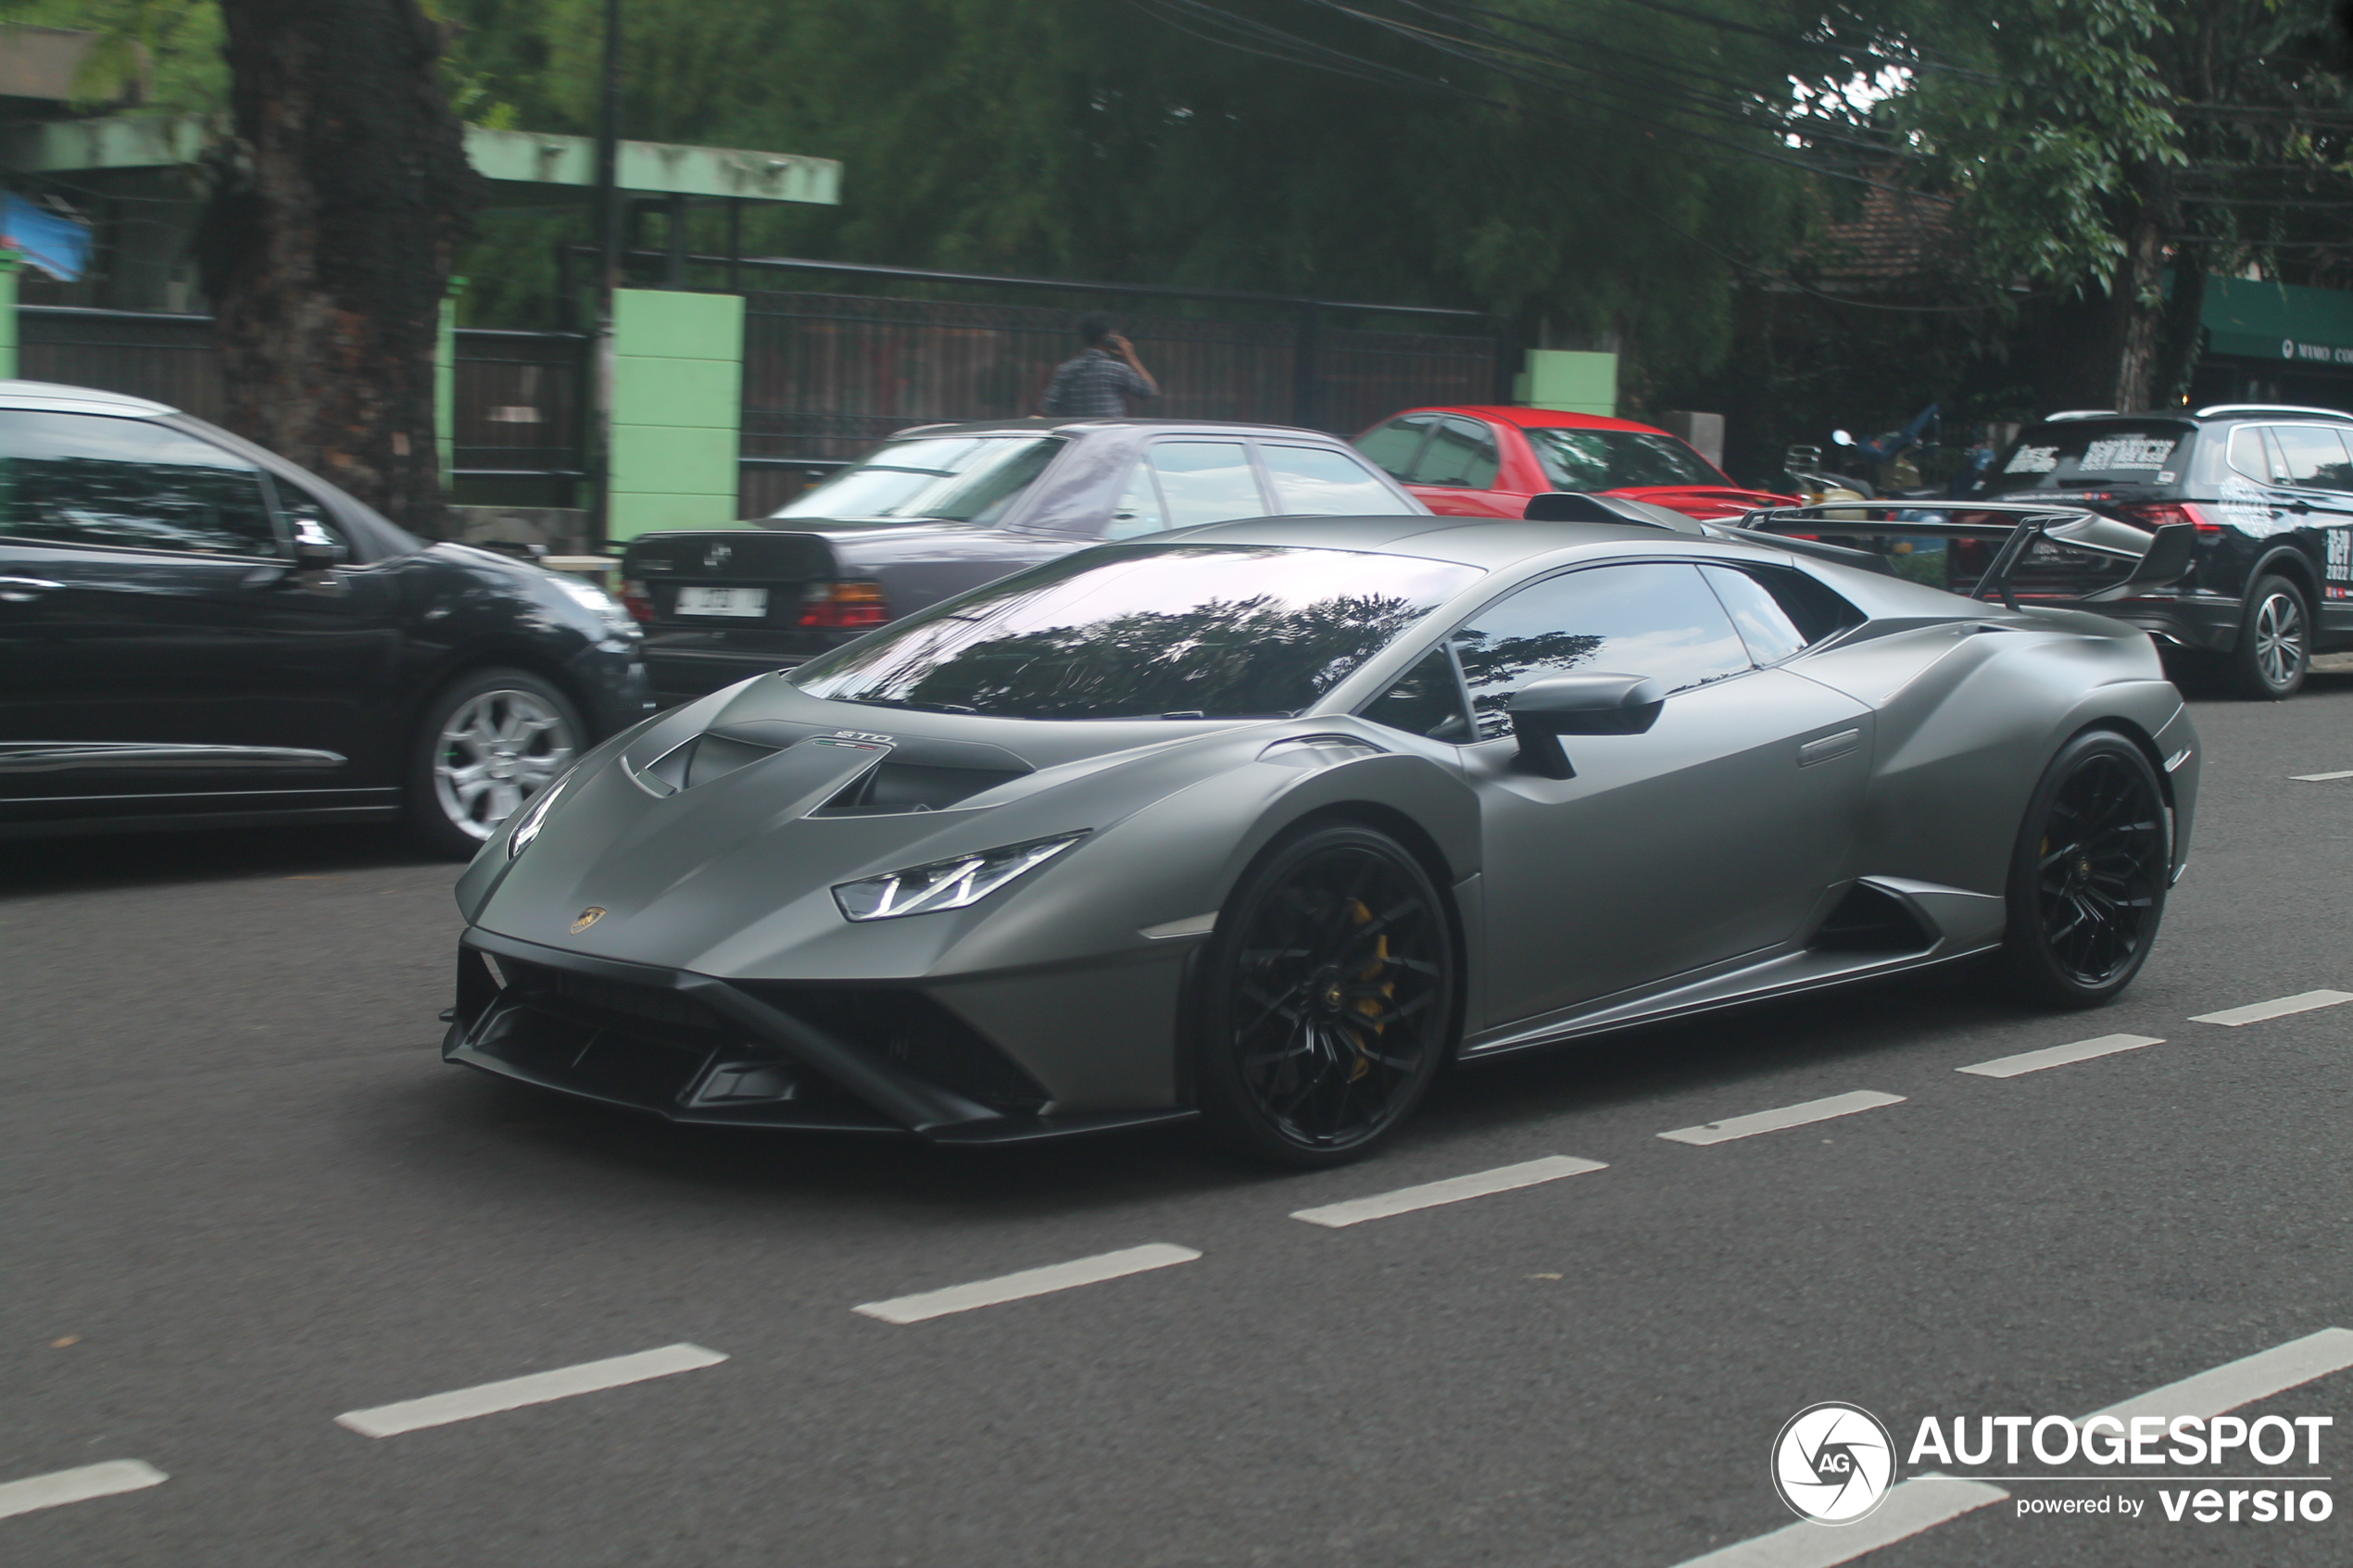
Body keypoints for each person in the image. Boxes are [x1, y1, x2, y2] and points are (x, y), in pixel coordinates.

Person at [1041, 311, 1159, 417]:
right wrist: (1131, 356)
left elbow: (1048, 407)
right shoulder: (1117, 369)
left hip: (1077, 438)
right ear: (1109, 337)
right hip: (1109, 438)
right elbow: (1151, 392)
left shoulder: (1064, 370)